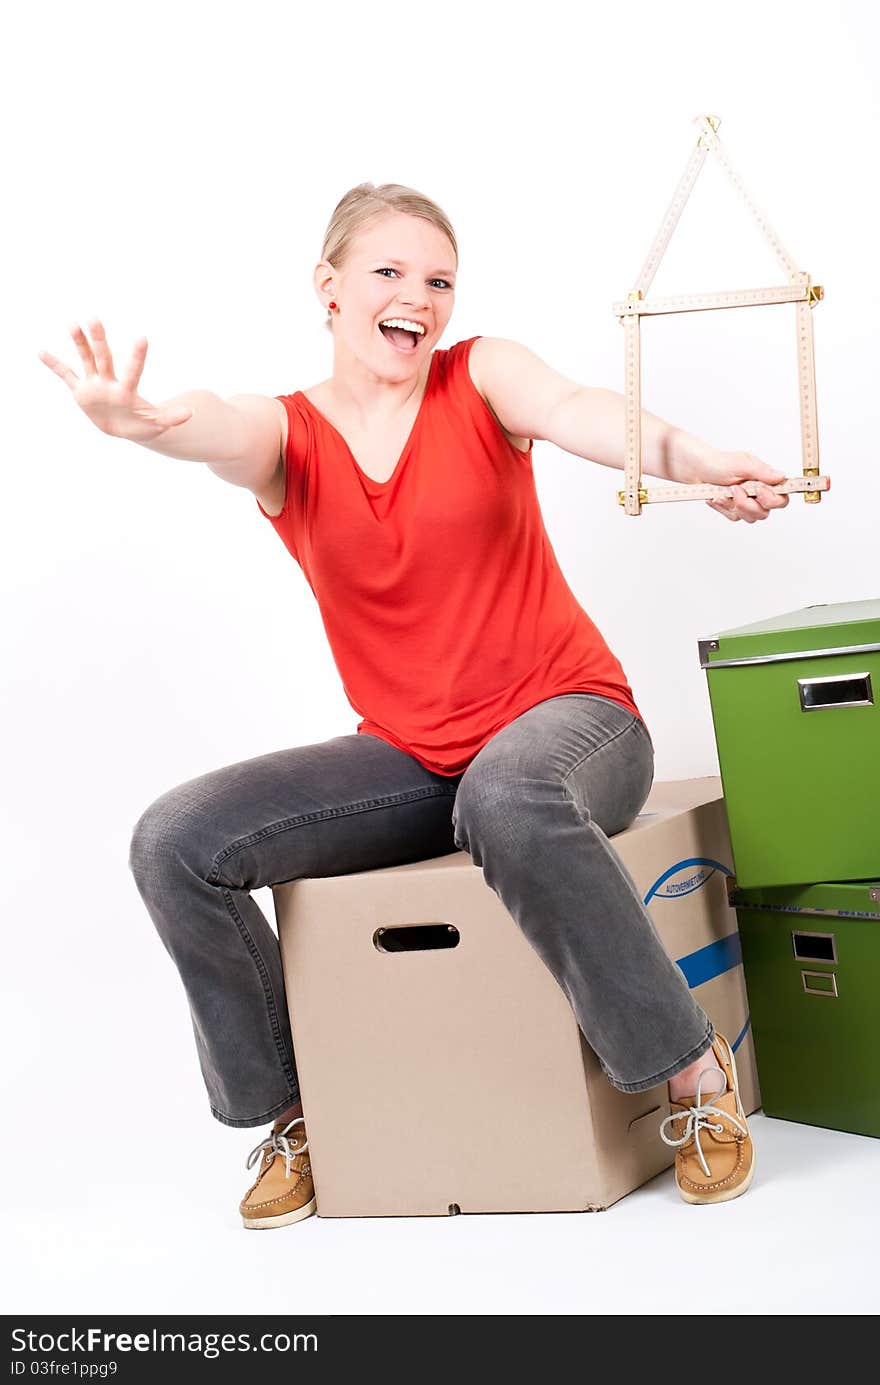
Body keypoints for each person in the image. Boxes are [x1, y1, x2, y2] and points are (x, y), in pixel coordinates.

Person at [39, 182, 788, 1229]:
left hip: (570, 718)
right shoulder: (287, 438)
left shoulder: (480, 373)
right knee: (174, 840)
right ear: (329, 288)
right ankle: (298, 1113)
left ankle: (687, 1072)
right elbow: (206, 422)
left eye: (436, 279)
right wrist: (139, 425)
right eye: (388, 272)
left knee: (510, 799)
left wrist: (698, 462)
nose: (417, 298)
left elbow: (581, 413)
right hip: (412, 756)